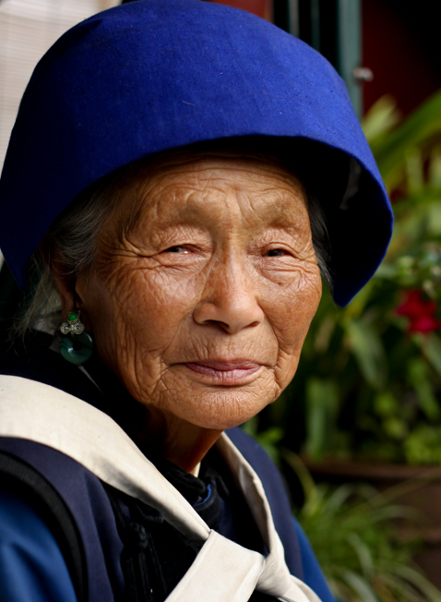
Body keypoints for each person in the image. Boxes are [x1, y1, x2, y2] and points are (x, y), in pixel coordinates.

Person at [0, 1, 393, 601]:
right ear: (69, 272)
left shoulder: (248, 476)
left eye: (278, 252)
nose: (235, 306)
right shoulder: (19, 509)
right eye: (179, 247)